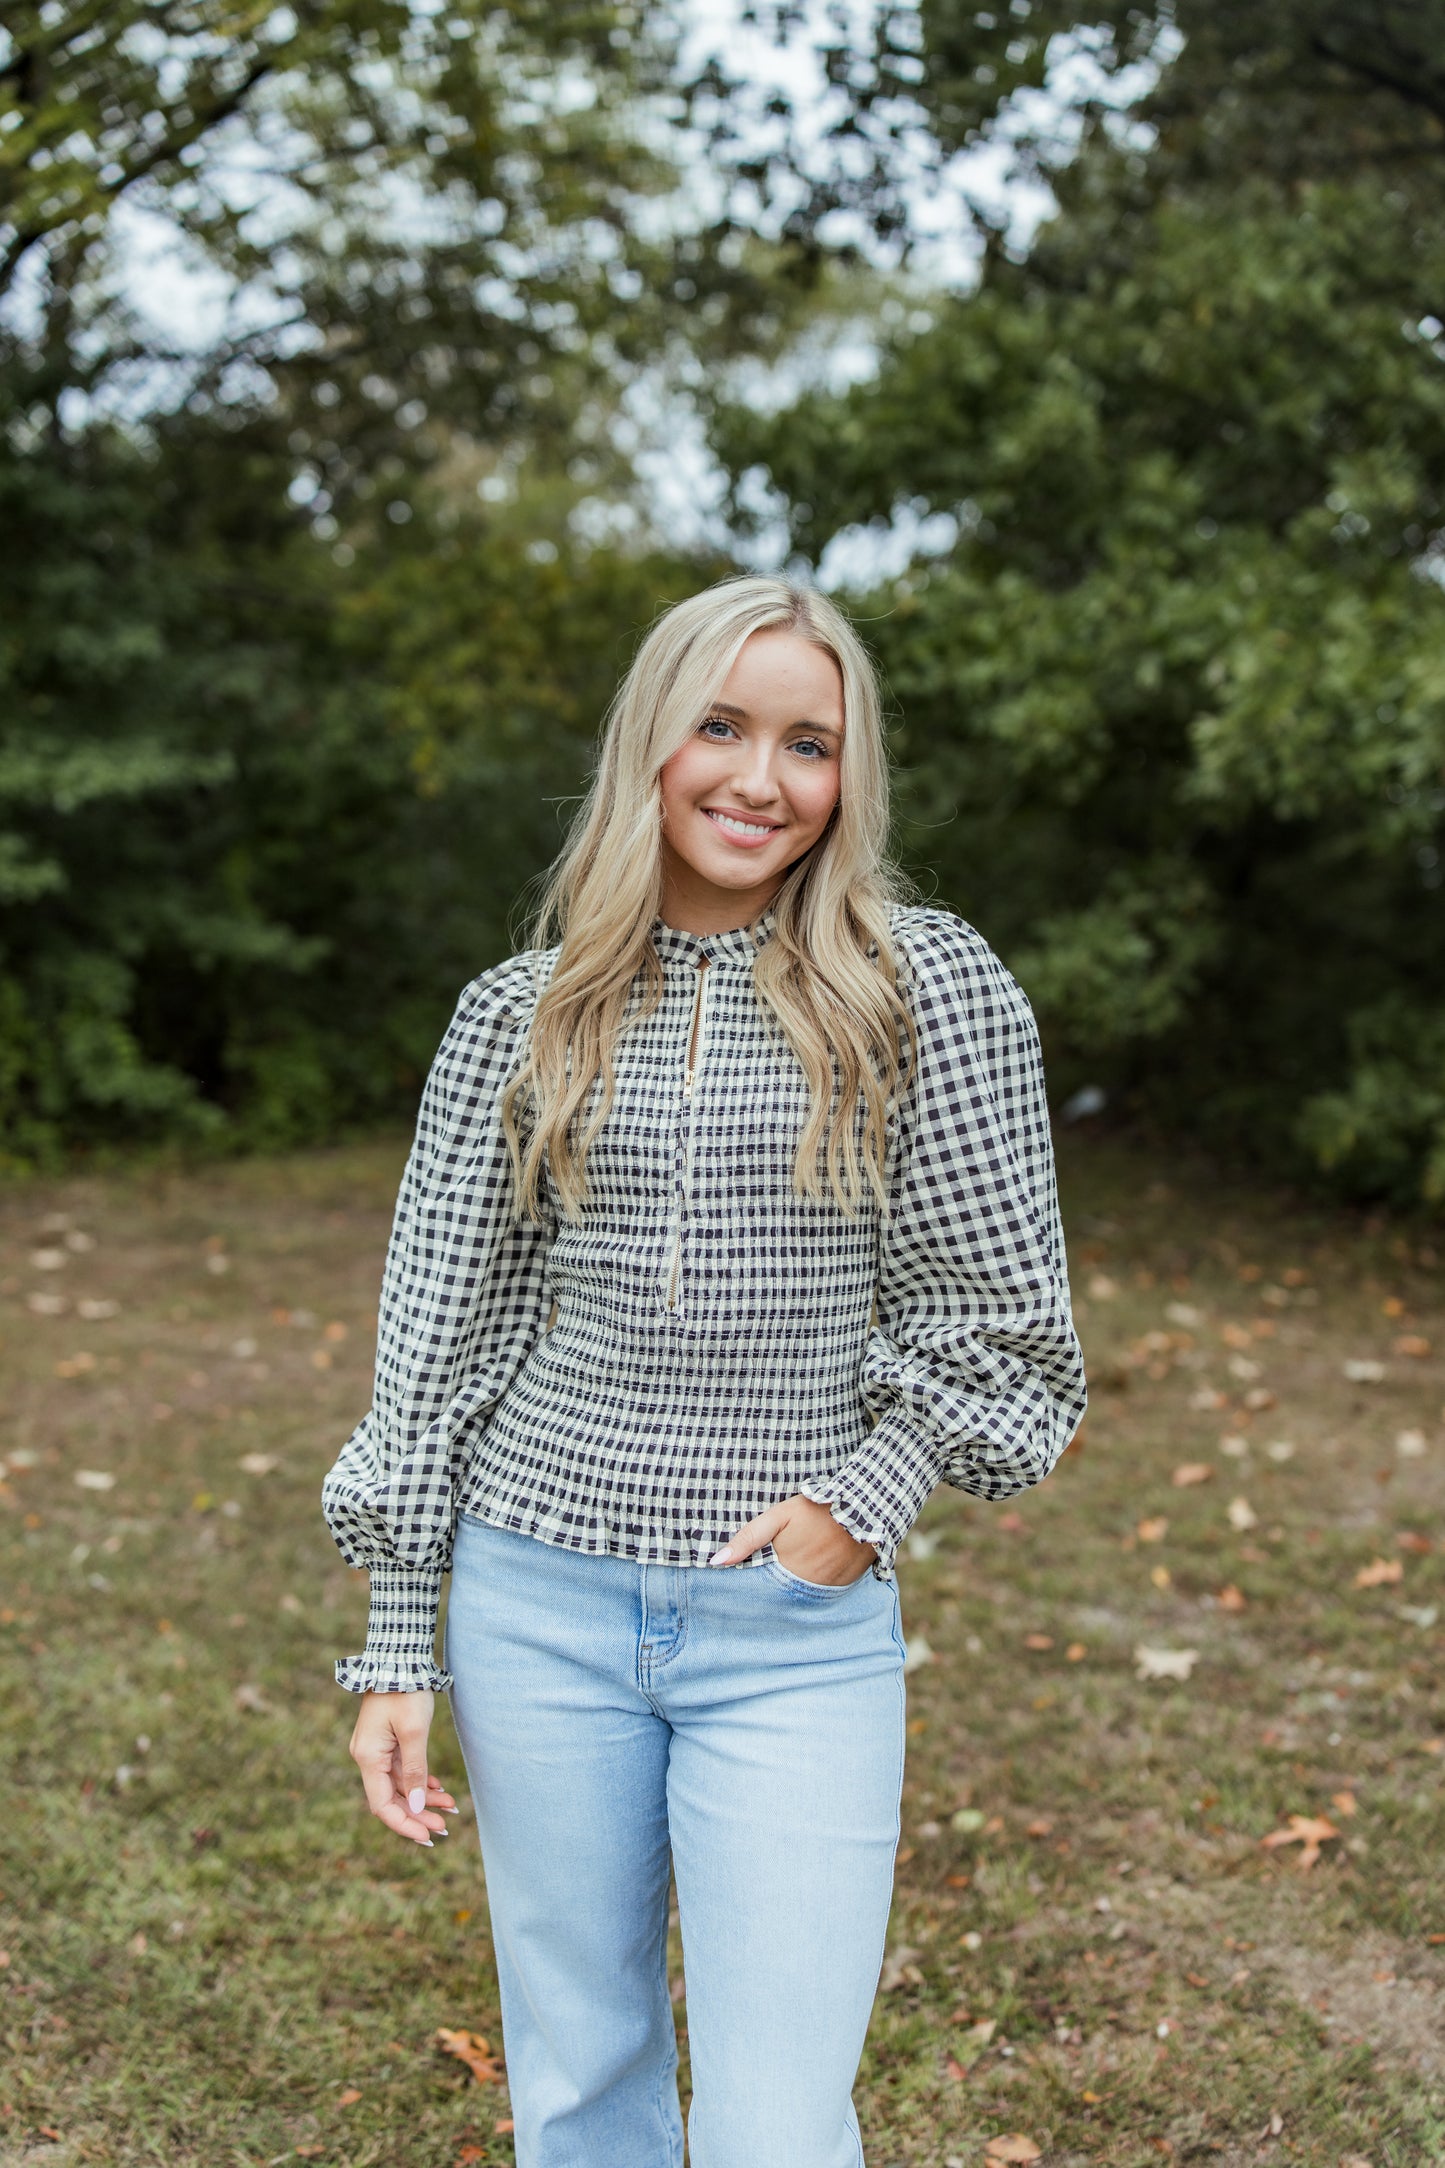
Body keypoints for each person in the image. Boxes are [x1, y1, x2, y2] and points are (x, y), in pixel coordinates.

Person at [321, 574, 1086, 2168]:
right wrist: (402, 1641)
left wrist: (860, 1505)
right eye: (720, 727)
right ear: (648, 746)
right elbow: (436, 1346)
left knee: (777, 2116)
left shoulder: (918, 992)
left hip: (790, 1630)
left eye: (807, 744)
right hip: (532, 1599)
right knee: (584, 2077)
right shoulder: (517, 1019)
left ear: (845, 776)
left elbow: (1008, 1329)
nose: (758, 778)